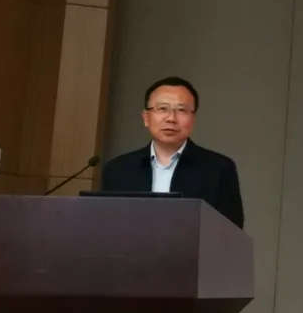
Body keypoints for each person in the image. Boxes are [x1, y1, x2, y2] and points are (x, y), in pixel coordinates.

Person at [99, 77, 245, 228]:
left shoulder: (219, 168)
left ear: (193, 119)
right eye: (163, 108)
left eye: (181, 110)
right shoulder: (118, 169)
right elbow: (107, 226)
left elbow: (231, 231)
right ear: (146, 118)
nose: (171, 118)